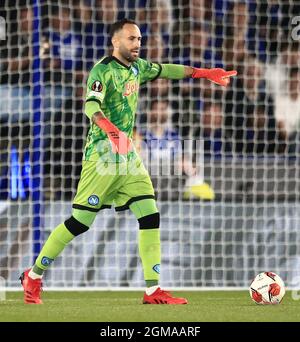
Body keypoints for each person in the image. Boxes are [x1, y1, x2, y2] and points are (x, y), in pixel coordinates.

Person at [20, 19, 236, 305]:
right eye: (131, 39)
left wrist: (205, 72)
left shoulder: (137, 68)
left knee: (149, 214)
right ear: (116, 41)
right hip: (102, 155)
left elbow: (166, 69)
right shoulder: (102, 71)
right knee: (80, 222)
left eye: (139, 39)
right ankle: (33, 276)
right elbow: (91, 105)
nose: (137, 44)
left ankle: (152, 290)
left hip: (128, 157)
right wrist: (110, 130)